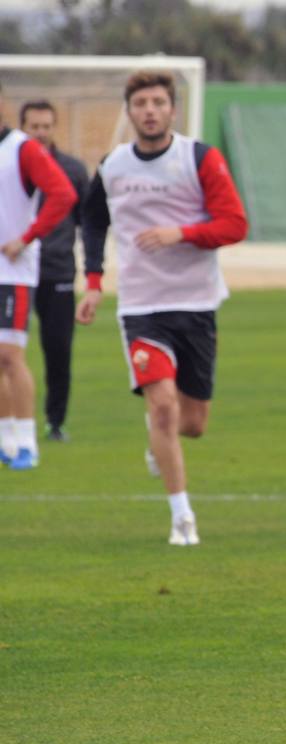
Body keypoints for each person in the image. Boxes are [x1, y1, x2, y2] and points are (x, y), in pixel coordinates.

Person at [79, 70, 248, 545]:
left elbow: (235, 224)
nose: (149, 110)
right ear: (129, 112)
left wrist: (182, 233)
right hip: (141, 307)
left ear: (172, 109)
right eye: (140, 103)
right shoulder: (112, 166)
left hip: (196, 303)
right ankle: (182, 518)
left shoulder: (198, 158)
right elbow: (92, 223)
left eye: (157, 102)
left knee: (191, 424)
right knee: (164, 407)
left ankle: (161, 441)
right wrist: (93, 283)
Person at [0, 80, 77, 470]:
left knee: (10, 356)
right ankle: (6, 438)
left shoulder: (22, 149)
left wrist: (26, 238)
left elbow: (63, 193)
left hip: (11, 272)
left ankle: (28, 441)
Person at [20, 100, 89, 442]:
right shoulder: (9, 166)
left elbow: (87, 222)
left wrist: (92, 272)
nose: (42, 133)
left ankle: (55, 422)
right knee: (8, 352)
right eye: (35, 127)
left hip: (57, 270)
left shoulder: (73, 170)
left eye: (47, 126)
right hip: (14, 271)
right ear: (23, 128)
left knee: (58, 349)